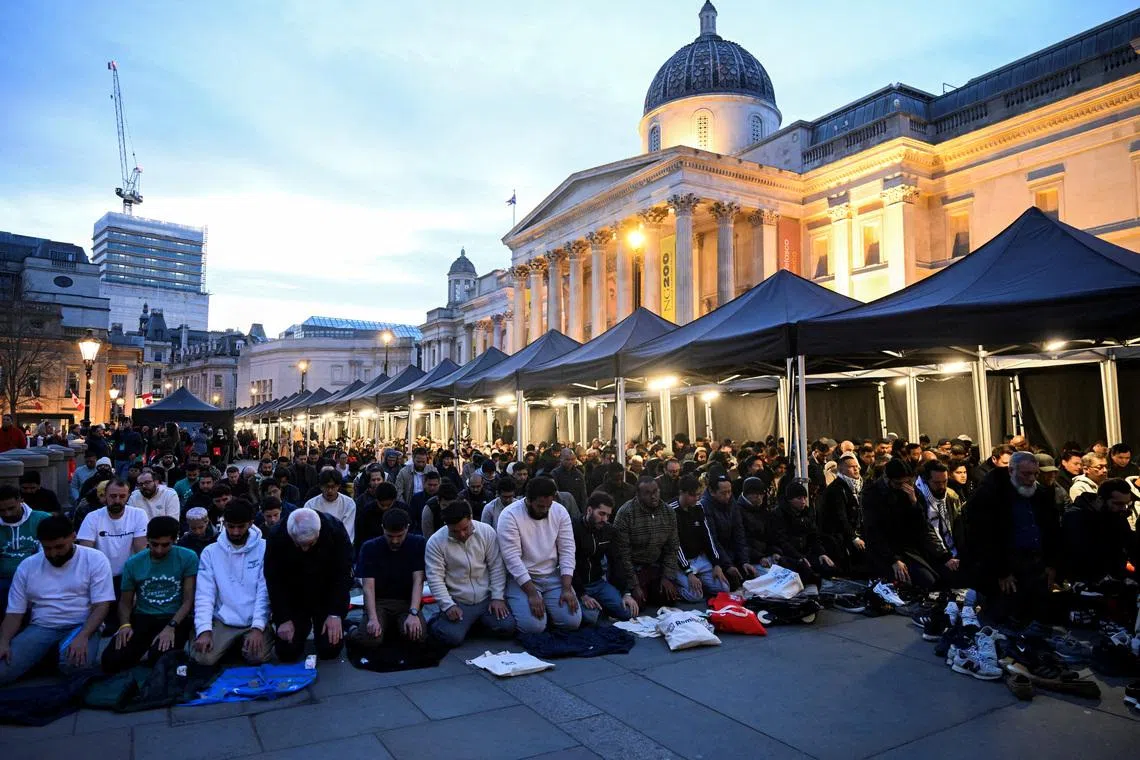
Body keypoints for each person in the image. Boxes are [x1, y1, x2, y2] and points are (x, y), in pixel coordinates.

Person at [0, 515, 114, 684]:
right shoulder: (27, 566)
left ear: (73, 537)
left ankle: (53, 656)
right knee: (3, 671)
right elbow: (14, 614)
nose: (53, 554)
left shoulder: (95, 559)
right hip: (42, 626)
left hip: (82, 625)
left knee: (74, 667)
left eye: (59, 547)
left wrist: (83, 636)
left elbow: (102, 606)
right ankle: (44, 656)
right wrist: (3, 642)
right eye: (47, 548)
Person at [967, 451, 1061, 622]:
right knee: (1007, 614)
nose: (1032, 478)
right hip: (1007, 564)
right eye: (1026, 474)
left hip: (1037, 561)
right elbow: (985, 536)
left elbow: (1052, 529)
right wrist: (1001, 571)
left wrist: (1052, 563)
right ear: (1011, 471)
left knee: (1038, 614)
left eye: (1035, 473)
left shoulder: (1041, 494)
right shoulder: (990, 495)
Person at [101, 516, 198, 673]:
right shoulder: (133, 563)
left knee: (160, 660)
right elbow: (125, 602)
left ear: (174, 540)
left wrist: (171, 627)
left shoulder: (188, 557)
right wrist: (125, 625)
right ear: (147, 540)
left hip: (175, 617)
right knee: (111, 661)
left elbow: (188, 600)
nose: (159, 550)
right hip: (144, 617)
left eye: (165, 545)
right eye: (154, 544)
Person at [265, 508, 353, 662]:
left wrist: (335, 614)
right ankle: (302, 626)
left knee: (329, 650)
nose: (305, 549)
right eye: (300, 545)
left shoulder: (335, 530)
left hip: (325, 594)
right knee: (287, 652)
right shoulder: (277, 535)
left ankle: (338, 625)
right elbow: (274, 580)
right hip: (295, 596)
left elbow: (343, 575)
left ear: (318, 532)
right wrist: (283, 618)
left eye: (310, 544)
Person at [425, 500, 516, 645]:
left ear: (471, 518)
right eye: (455, 531)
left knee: (508, 627)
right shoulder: (436, 542)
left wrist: (498, 597)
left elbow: (497, 566)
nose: (461, 534)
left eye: (465, 528)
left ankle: (474, 623)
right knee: (451, 638)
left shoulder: (486, 532)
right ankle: (440, 620)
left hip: (486, 598)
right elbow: (435, 578)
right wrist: (448, 605)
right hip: (459, 600)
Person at [192, 500, 272, 665]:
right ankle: (225, 643)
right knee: (203, 659)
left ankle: (252, 640)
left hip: (253, 620)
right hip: (224, 620)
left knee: (256, 657)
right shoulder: (210, 552)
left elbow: (264, 592)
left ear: (251, 523)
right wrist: (204, 630)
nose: (235, 532)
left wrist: (258, 628)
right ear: (224, 523)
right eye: (231, 526)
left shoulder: (265, 548)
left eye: (241, 527)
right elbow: (204, 594)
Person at [497, 476, 580, 634]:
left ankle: (547, 610)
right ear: (528, 500)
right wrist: (532, 594)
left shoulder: (559, 511)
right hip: (521, 579)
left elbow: (568, 550)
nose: (545, 510)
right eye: (540, 506)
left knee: (572, 622)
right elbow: (512, 559)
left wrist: (567, 587)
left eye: (548, 506)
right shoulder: (509, 515)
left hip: (552, 576)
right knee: (533, 627)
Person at [862, 460, 952, 590]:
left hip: (910, 550)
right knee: (916, 581)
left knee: (937, 579)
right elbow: (874, 532)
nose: (904, 486)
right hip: (886, 552)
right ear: (888, 479)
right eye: (899, 483)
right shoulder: (872, 495)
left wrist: (914, 504)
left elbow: (923, 527)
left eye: (907, 482)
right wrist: (893, 560)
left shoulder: (911, 492)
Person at [77, 479, 148, 630]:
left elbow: (140, 552)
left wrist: (136, 584)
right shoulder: (92, 517)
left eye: (122, 497)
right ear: (105, 496)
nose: (117, 500)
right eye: (113, 496)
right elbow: (85, 553)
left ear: (128, 496)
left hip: (127, 575)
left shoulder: (138, 515)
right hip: (100, 575)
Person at [353, 508, 426, 644]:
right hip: (379, 602)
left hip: (406, 602)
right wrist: (373, 618)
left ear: (407, 528)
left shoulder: (418, 543)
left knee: (417, 637)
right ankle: (353, 628)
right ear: (383, 529)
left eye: (400, 536)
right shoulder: (370, 547)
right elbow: (368, 587)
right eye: (390, 536)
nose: (395, 541)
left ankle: (394, 627)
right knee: (370, 640)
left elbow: (418, 581)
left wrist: (414, 613)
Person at [613, 477, 683, 606]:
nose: (653, 496)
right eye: (647, 493)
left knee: (669, 599)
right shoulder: (626, 513)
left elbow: (672, 548)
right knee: (637, 604)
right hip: (633, 567)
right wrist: (633, 585)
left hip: (656, 565)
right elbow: (622, 554)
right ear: (638, 495)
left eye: (656, 491)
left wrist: (667, 576)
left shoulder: (668, 512)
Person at [573, 491, 637, 624]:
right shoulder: (573, 528)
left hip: (598, 583)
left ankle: (602, 607)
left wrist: (626, 592)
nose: (605, 519)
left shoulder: (609, 531)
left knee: (628, 612)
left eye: (608, 515)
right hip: (577, 585)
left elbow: (617, 561)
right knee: (591, 618)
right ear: (589, 510)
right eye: (601, 514)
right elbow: (568, 565)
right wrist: (582, 594)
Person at [1062, 478, 1135, 584]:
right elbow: (1080, 554)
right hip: (1086, 581)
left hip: (1114, 578)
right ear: (1100, 500)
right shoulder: (1076, 517)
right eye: (1118, 504)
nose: (1123, 508)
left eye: (1126, 504)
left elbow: (1130, 543)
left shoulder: (1117, 515)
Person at [672, 475, 731, 602]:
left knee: (724, 588)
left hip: (699, 559)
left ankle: (700, 581)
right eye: (693, 495)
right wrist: (688, 571)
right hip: (680, 563)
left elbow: (707, 535)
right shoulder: (671, 510)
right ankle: (677, 587)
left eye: (699, 494)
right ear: (682, 493)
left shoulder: (698, 506)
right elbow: (674, 545)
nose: (697, 498)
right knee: (695, 596)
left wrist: (716, 564)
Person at [0, 484, 51, 616]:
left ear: (20, 500)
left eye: (11, 508)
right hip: (4, 579)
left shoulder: (42, 519)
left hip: (37, 577)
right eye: (2, 510)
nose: (7, 514)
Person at [700, 474, 757, 584]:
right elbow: (713, 540)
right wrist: (727, 565)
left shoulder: (732, 503)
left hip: (731, 552)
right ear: (712, 492)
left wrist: (744, 561)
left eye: (729, 492)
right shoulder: (705, 506)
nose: (727, 496)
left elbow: (739, 533)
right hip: (715, 557)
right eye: (723, 493)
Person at [818, 453, 867, 576]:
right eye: (851, 467)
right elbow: (840, 516)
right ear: (841, 469)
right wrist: (853, 537)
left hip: (855, 532)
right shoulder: (836, 489)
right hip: (839, 537)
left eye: (857, 466)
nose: (856, 469)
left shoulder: (860, 485)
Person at [916, 461, 965, 576]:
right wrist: (944, 557)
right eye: (937, 483)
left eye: (945, 481)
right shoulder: (917, 498)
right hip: (932, 555)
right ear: (925, 480)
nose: (942, 486)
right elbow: (925, 532)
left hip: (952, 551)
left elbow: (958, 527)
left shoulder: (951, 495)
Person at [304, 469, 357, 545]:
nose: (330, 490)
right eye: (326, 487)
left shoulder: (349, 503)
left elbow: (347, 531)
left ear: (338, 486)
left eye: (333, 487)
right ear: (321, 487)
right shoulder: (310, 505)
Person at [355, 481, 406, 551]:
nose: (385, 508)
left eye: (388, 505)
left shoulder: (403, 511)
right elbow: (360, 537)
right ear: (376, 500)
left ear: (394, 500)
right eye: (382, 505)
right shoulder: (367, 512)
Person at [550, 449, 587, 515]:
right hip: (562, 509)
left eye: (572, 459)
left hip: (576, 510)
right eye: (567, 459)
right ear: (561, 459)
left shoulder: (578, 474)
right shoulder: (555, 474)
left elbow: (583, 495)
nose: (570, 462)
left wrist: (584, 511)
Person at [1035, 453, 1070, 523]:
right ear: (1036, 472)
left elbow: (1068, 511)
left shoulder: (1059, 491)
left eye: (1053, 472)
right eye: (1047, 472)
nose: (1051, 475)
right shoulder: (1029, 491)